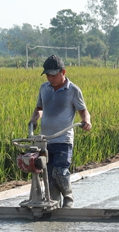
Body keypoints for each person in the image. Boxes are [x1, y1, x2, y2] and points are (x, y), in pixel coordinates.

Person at [29, 55, 92, 208]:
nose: (50, 78)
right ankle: (54, 204)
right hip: (46, 140)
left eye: (53, 75)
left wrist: (87, 121)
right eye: (48, 75)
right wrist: (34, 119)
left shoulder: (73, 90)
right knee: (49, 175)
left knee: (60, 171)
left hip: (63, 139)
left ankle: (68, 200)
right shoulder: (44, 88)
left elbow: (83, 111)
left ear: (63, 72)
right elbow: (40, 108)